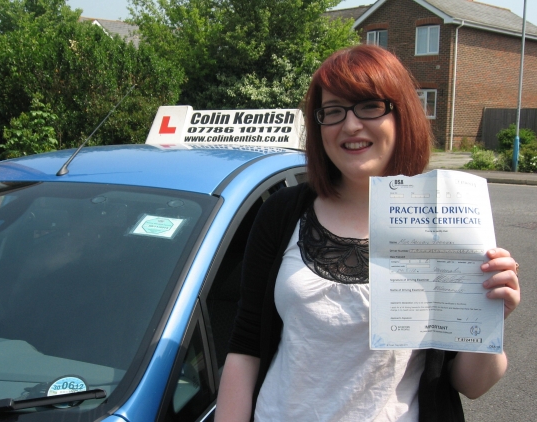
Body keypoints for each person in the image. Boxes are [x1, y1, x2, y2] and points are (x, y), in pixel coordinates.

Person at [215, 45, 521, 422]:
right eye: (333, 111)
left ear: (401, 115)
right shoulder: (281, 213)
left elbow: (472, 384)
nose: (350, 125)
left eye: (369, 106)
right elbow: (246, 344)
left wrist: (490, 316)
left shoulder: (445, 220)